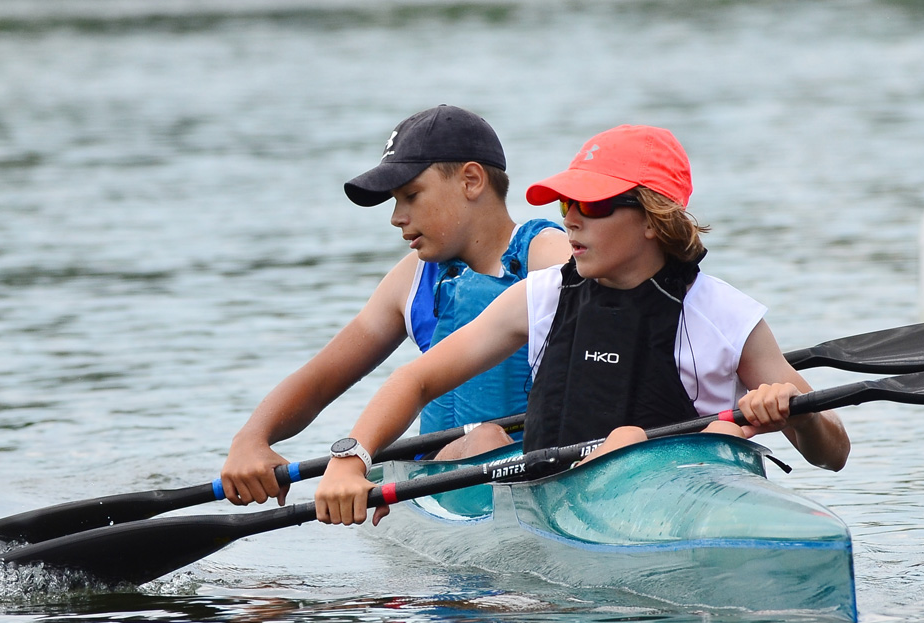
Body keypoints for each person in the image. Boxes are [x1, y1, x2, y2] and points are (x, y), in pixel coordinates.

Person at [314, 124, 850, 526]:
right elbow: (416, 380)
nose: (569, 218)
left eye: (591, 205)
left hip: (690, 509)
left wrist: (798, 417)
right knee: (484, 440)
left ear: (651, 217)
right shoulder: (542, 297)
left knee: (689, 433)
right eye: (567, 202)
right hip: (559, 506)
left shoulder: (728, 317)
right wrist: (350, 458)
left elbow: (834, 453)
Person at [220, 105, 572, 506]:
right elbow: (321, 379)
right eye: (394, 200)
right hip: (434, 479)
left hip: (533, 471)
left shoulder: (546, 253)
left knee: (487, 437)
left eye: (411, 196)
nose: (396, 217)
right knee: (480, 439)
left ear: (471, 181)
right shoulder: (414, 278)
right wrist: (251, 438)